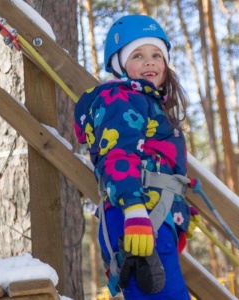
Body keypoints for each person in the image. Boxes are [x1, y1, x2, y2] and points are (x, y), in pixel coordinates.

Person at [75, 14, 192, 299]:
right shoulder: (121, 99)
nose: (150, 61)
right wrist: (134, 210)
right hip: (138, 217)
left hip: (151, 216)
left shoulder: (146, 103)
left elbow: (156, 161)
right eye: (138, 55)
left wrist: (180, 206)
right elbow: (118, 155)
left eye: (156, 55)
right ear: (122, 66)